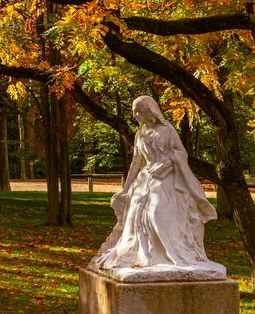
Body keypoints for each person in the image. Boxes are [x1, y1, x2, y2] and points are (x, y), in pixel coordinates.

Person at [90, 95, 223, 277]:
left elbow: (181, 153)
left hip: (168, 178)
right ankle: (145, 255)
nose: (135, 114)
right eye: (134, 111)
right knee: (134, 215)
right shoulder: (140, 134)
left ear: (149, 111)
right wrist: (126, 188)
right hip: (146, 179)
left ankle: (172, 255)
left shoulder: (167, 130)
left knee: (155, 212)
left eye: (139, 110)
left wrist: (166, 164)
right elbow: (137, 162)